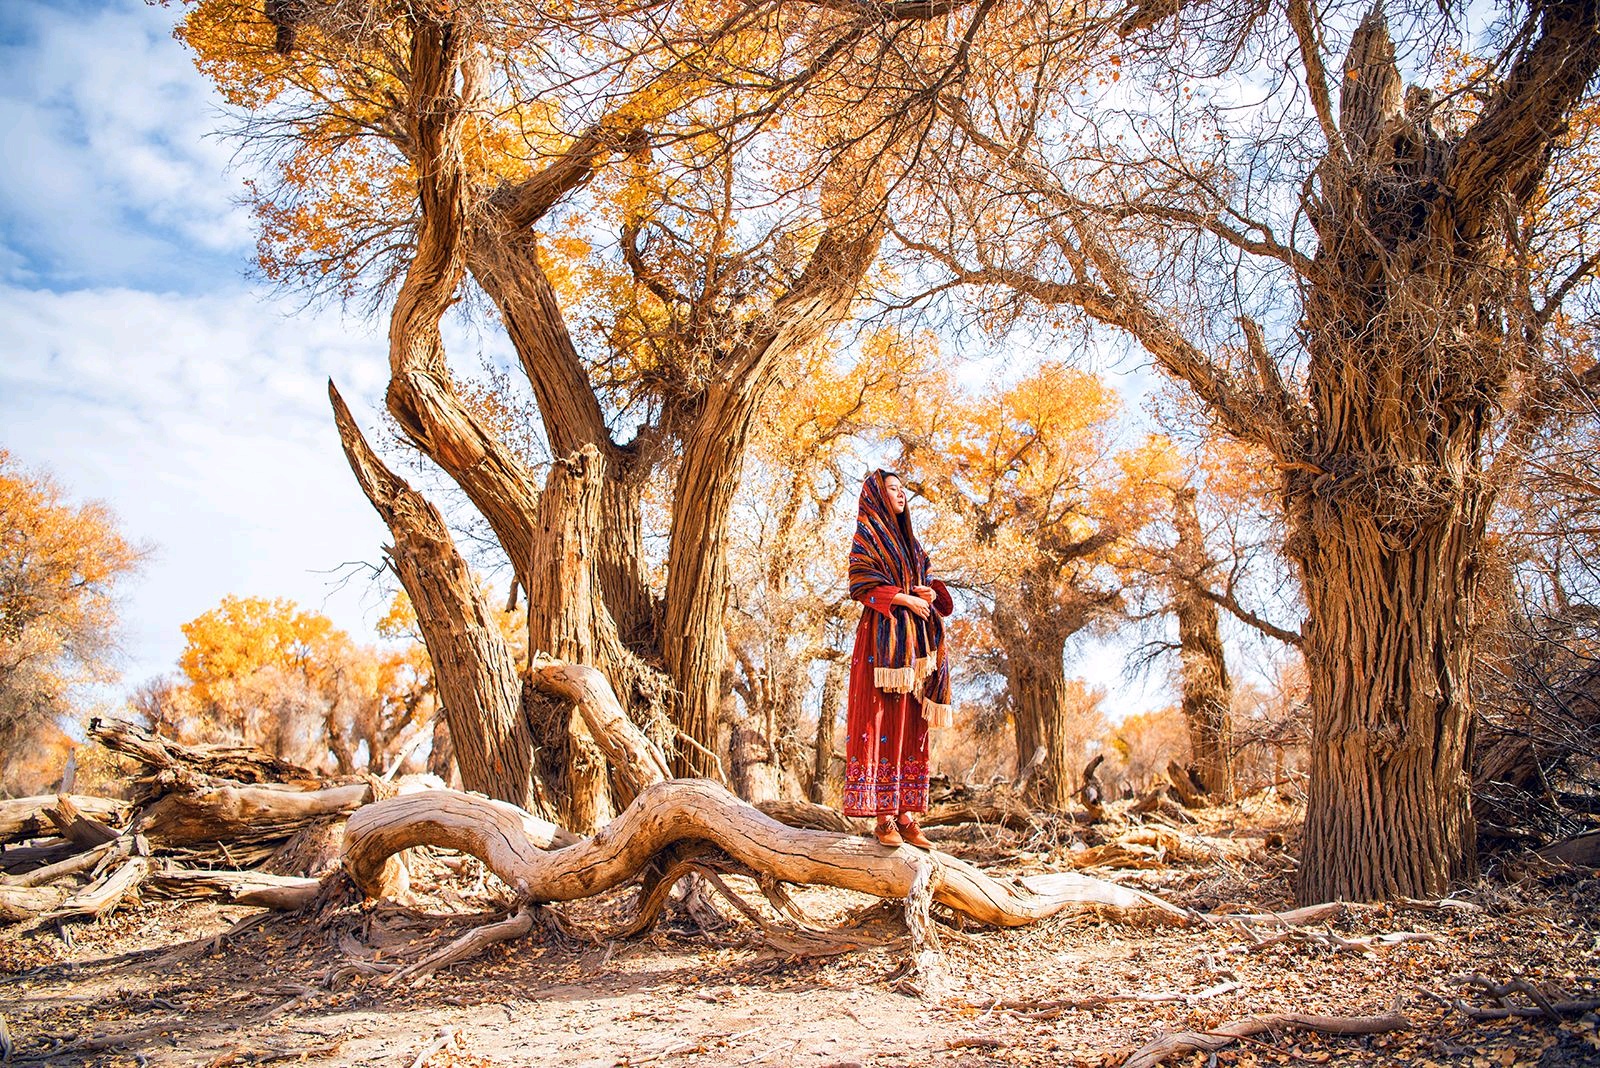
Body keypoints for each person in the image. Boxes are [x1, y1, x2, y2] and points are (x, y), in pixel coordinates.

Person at [842, 469, 954, 847]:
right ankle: (884, 817)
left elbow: (934, 587)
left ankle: (907, 815)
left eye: (903, 489)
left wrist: (928, 593)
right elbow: (859, 584)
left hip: (916, 649)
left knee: (910, 721)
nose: (901, 494)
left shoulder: (913, 544)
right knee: (880, 719)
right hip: (881, 645)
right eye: (893, 489)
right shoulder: (868, 536)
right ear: (876, 495)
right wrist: (902, 598)